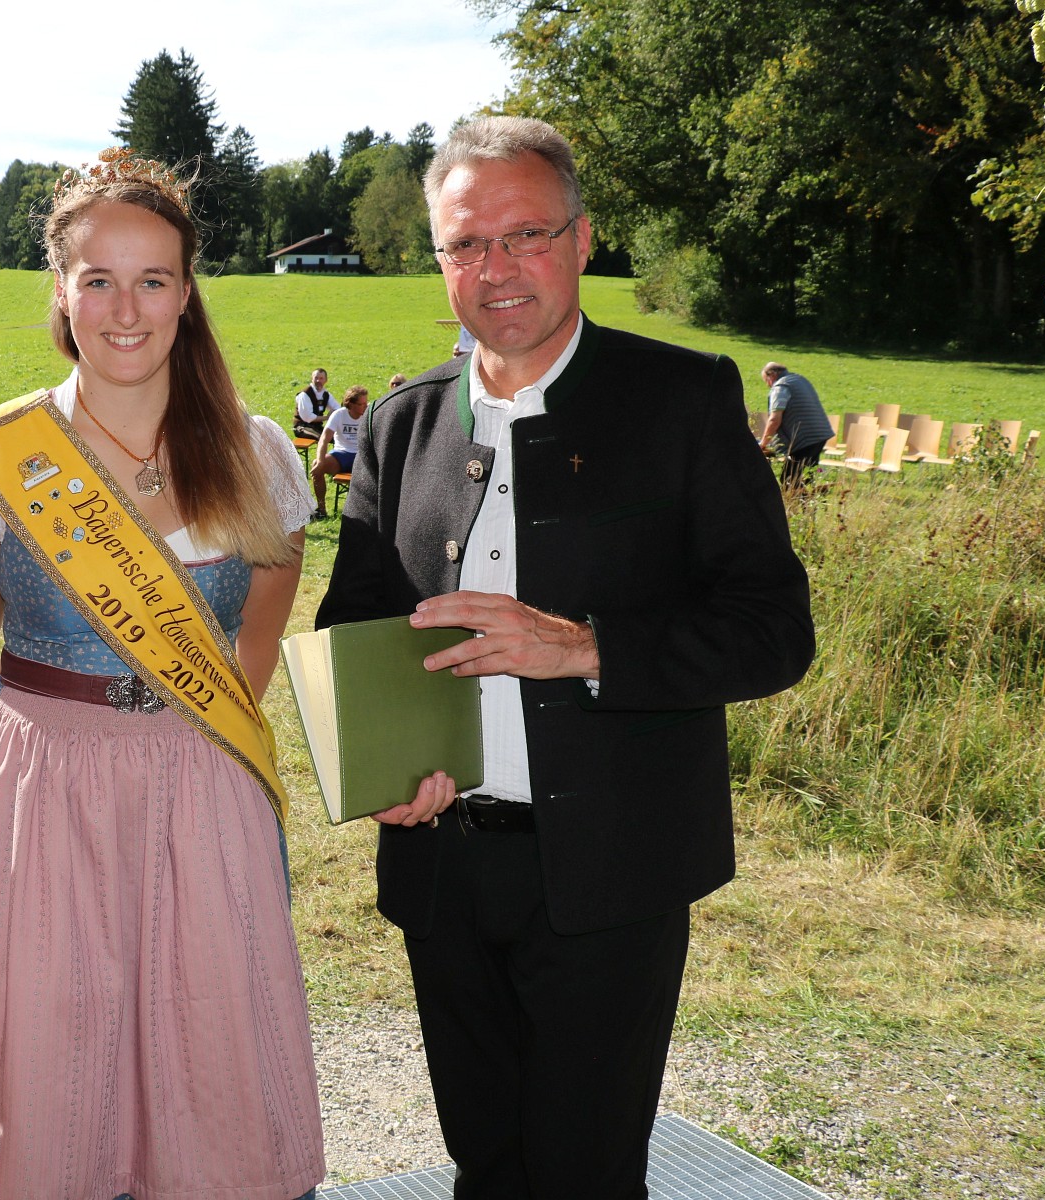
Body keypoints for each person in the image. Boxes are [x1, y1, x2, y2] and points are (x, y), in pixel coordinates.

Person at [315, 116, 815, 1200]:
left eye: (526, 235)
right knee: (485, 1164)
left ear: (583, 240)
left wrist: (584, 647)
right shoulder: (402, 425)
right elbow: (352, 628)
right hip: (443, 870)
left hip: (615, 872)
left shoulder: (681, 400)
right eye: (466, 244)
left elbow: (775, 630)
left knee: (586, 1175)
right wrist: (384, 772)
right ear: (439, 261)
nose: (496, 268)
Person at [0, 148, 323, 1200]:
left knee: (212, 1053)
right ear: (62, 291)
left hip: (201, 780)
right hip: (38, 789)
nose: (126, 309)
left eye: (153, 280)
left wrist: (179, 738)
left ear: (187, 295)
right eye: (99, 279)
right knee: (53, 1064)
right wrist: (70, 742)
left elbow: (256, 644)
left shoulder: (258, 455)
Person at [759, 361, 833, 490]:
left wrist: (763, 444)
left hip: (804, 439)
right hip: (820, 434)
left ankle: (798, 502)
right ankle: (809, 501)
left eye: (767, 381)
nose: (768, 385)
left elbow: (774, 419)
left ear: (772, 375)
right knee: (806, 475)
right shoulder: (800, 380)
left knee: (789, 479)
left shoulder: (780, 387)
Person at [309, 383, 368, 519]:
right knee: (316, 465)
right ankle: (321, 509)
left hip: (362, 456)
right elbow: (324, 439)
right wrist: (320, 461)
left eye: (366, 403)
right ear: (350, 404)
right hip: (342, 454)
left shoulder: (369, 413)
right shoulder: (339, 415)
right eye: (361, 404)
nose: (365, 406)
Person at [292, 367, 337, 439]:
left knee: (337, 436)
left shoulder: (325, 394)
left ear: (326, 380)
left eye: (321, 378)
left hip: (317, 427)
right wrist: (327, 417)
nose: (318, 380)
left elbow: (337, 408)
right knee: (323, 438)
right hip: (302, 427)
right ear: (312, 379)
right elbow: (308, 417)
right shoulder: (305, 394)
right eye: (316, 378)